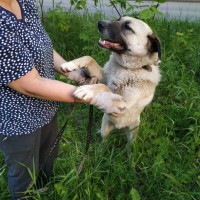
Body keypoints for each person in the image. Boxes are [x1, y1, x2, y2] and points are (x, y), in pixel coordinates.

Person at [0, 0, 125, 199]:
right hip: (18, 120)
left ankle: (42, 191)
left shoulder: (24, 3)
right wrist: (93, 96)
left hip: (47, 105)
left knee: (46, 161)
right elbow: (28, 84)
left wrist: (71, 71)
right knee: (23, 173)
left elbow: (44, 47)